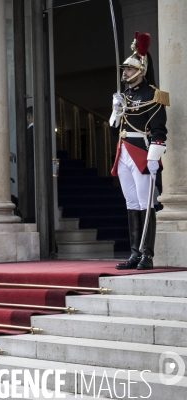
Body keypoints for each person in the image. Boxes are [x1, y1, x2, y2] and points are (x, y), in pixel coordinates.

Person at [109, 32, 169, 270]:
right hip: (123, 151)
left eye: (129, 69)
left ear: (141, 71)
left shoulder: (153, 95)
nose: (124, 73)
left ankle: (148, 254)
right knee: (131, 203)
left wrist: (154, 158)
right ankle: (134, 253)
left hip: (142, 153)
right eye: (124, 69)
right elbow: (115, 130)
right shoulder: (125, 96)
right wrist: (116, 112)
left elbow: (159, 131)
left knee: (146, 204)